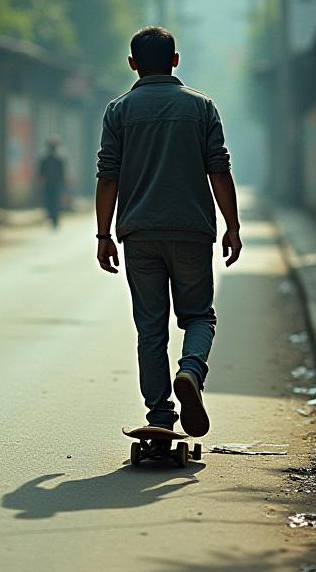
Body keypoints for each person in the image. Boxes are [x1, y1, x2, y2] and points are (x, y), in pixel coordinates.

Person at [95, 26, 242, 441]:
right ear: (175, 60)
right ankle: (191, 372)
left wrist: (103, 235)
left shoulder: (118, 111)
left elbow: (108, 176)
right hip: (193, 232)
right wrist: (232, 226)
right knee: (198, 316)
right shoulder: (202, 108)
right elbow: (219, 168)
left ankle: (160, 416)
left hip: (139, 235)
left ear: (132, 63)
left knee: (151, 327)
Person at [38, 136, 66, 230]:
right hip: (54, 184)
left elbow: (40, 172)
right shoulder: (57, 159)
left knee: (51, 202)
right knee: (53, 202)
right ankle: (54, 219)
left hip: (51, 184)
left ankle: (53, 219)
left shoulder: (47, 158)